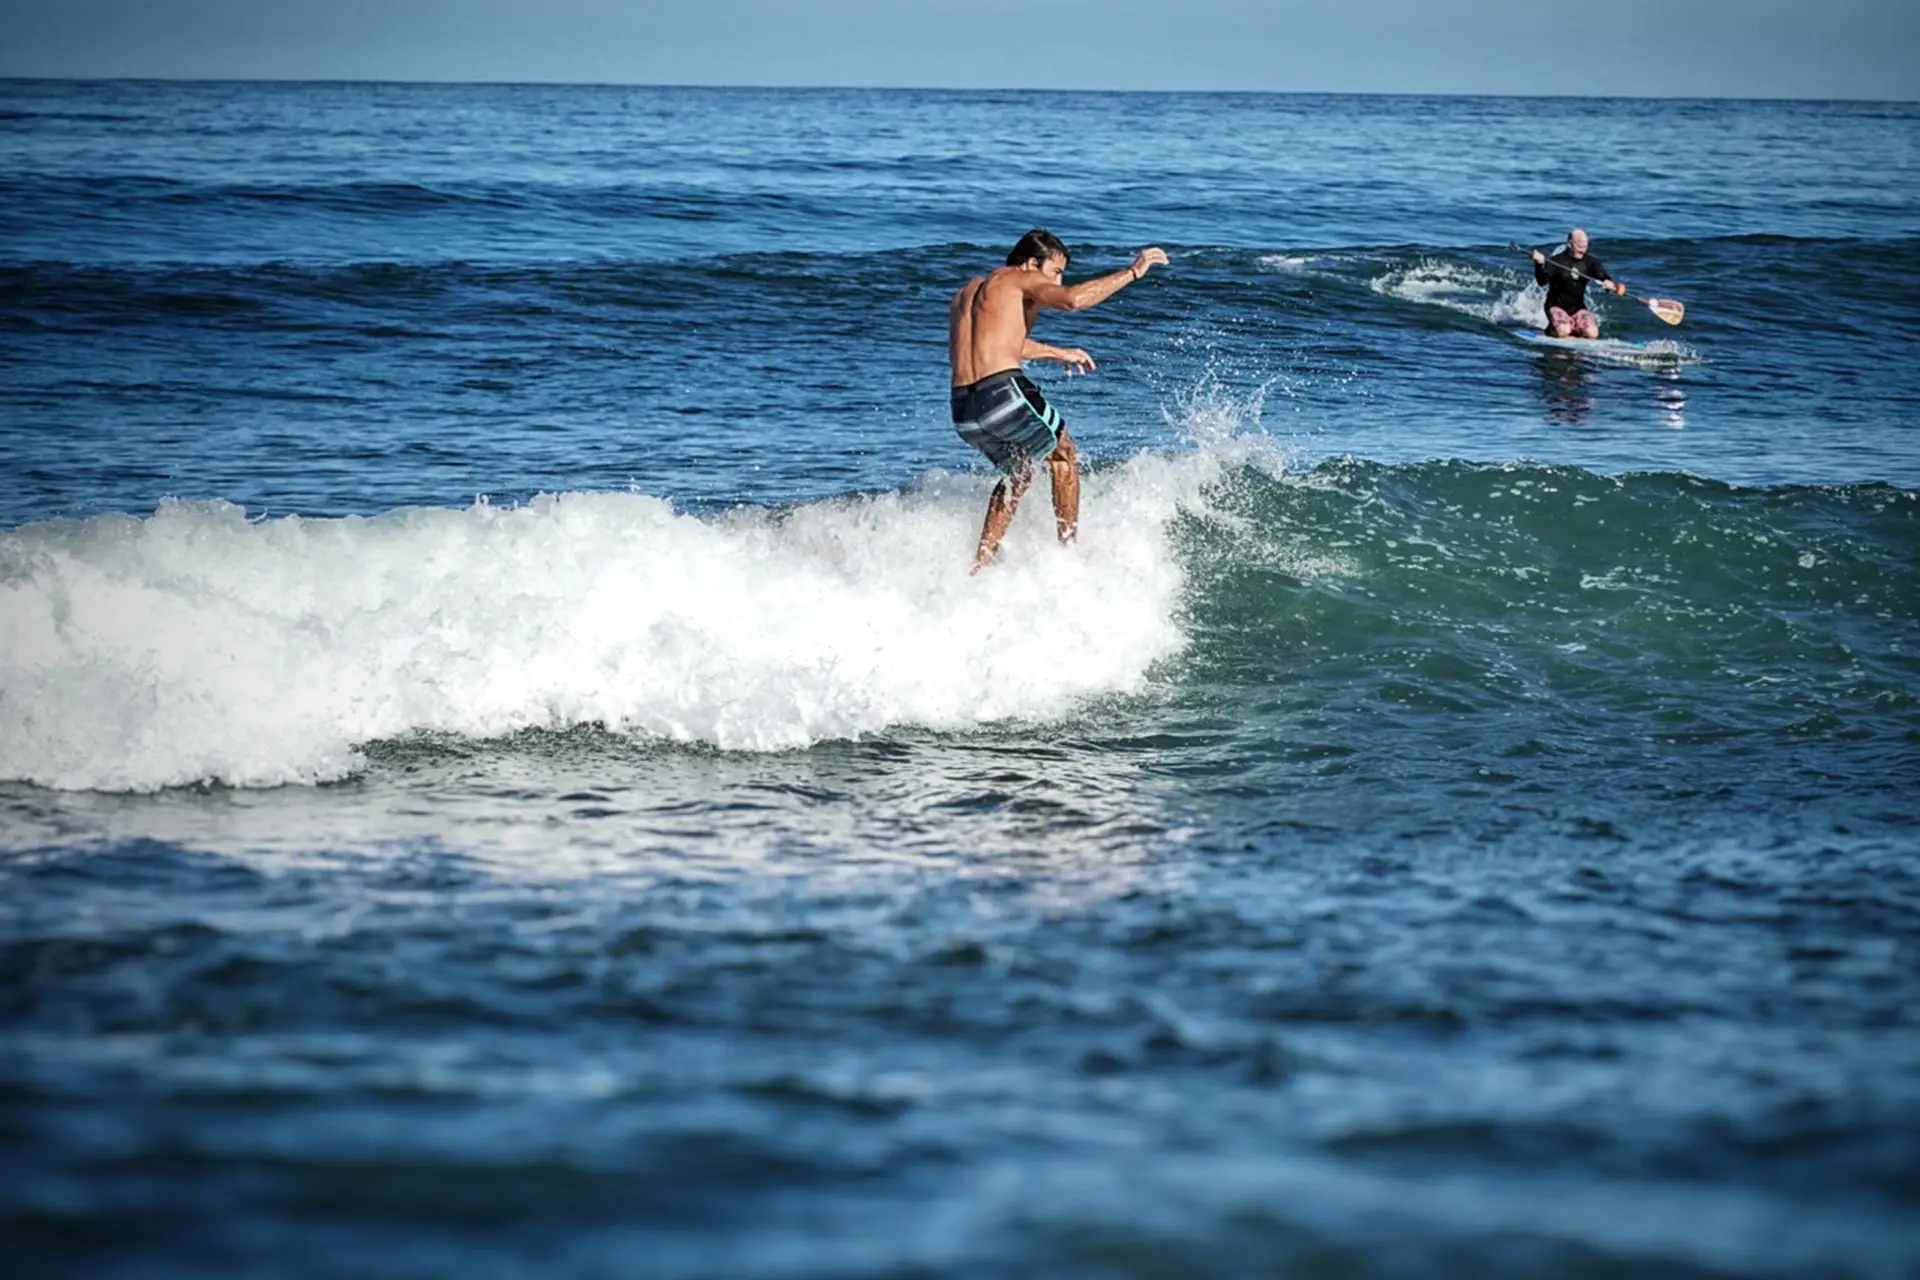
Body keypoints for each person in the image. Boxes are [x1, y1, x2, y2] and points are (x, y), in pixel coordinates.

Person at [948, 229, 1168, 571]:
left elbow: (1000, 345)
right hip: (1002, 393)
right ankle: (1069, 555)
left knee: (1018, 472)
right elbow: (1071, 301)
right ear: (1032, 263)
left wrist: (1056, 352)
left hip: (964, 408)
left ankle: (980, 564)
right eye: (1055, 271)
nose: (1058, 280)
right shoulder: (1020, 279)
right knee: (1064, 455)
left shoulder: (968, 293)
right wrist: (1133, 271)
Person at [1532, 228, 1626, 339]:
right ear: (1569, 244)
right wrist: (1539, 264)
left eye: (1585, 247)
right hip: (1556, 305)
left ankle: (1575, 329)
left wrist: (1609, 284)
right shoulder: (1556, 261)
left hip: (1577, 307)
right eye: (1579, 247)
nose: (1582, 250)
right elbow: (1542, 281)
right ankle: (1552, 330)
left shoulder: (1591, 263)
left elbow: (1603, 277)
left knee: (1592, 333)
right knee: (1563, 331)